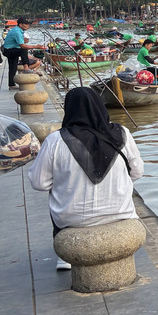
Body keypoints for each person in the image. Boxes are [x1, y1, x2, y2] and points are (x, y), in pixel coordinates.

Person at [27, 87, 144, 270]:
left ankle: (65, 258)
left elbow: (39, 183)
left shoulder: (55, 140)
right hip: (120, 213)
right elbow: (137, 172)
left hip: (71, 219)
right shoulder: (123, 134)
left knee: (57, 193)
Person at [4, 18, 41, 88]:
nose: (28, 26)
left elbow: (18, 41)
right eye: (26, 24)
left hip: (9, 49)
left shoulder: (18, 30)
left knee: (13, 67)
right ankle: (26, 68)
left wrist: (23, 40)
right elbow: (23, 46)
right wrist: (36, 46)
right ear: (20, 24)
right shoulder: (17, 31)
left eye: (28, 24)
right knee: (23, 50)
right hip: (8, 50)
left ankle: (11, 84)